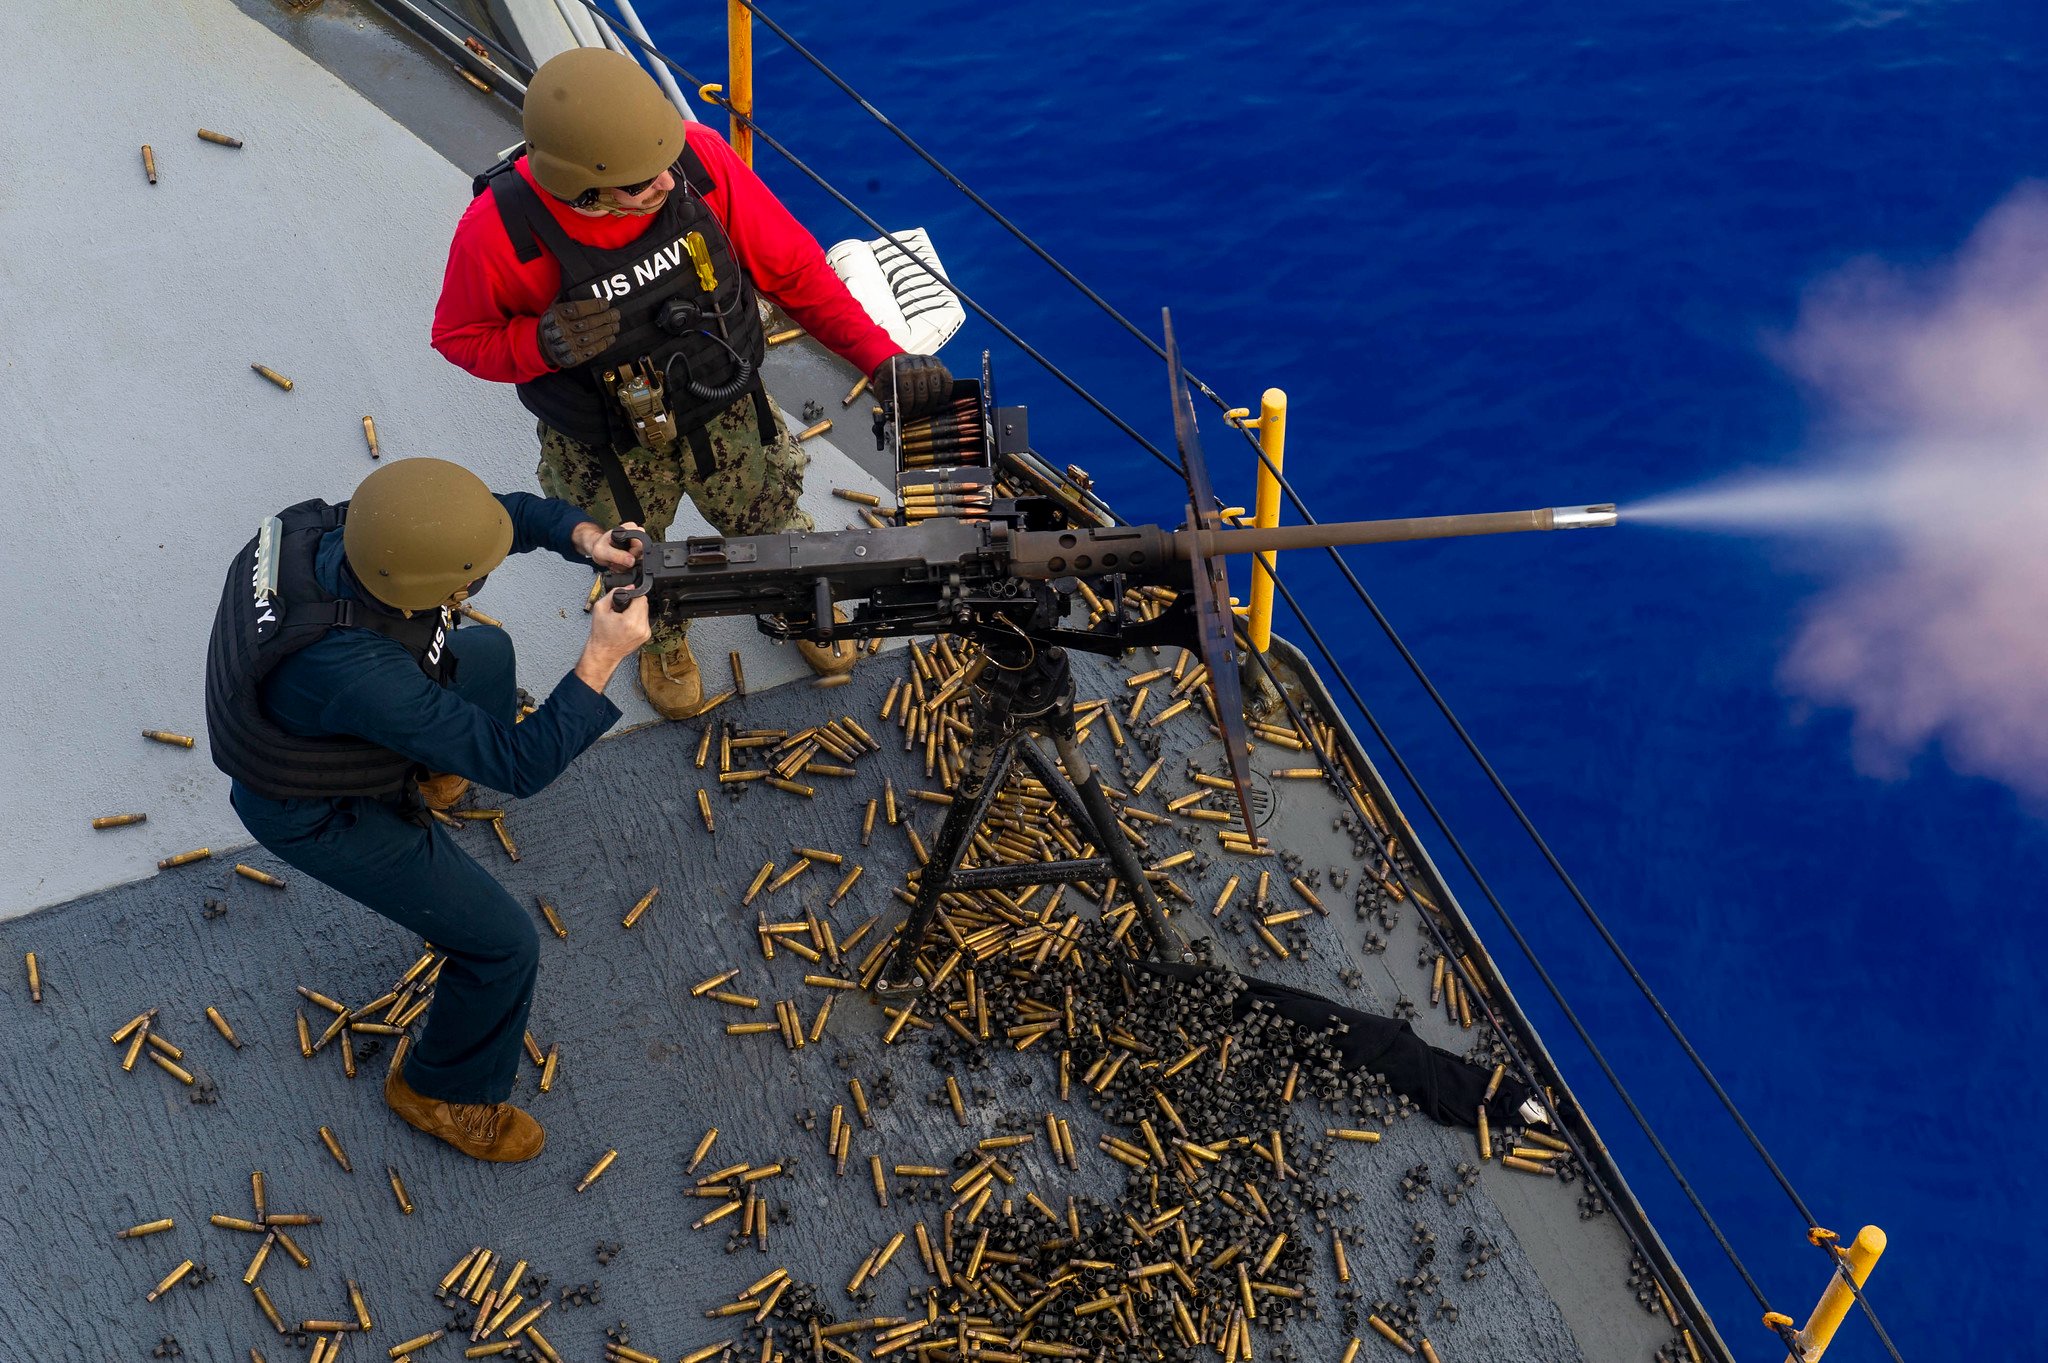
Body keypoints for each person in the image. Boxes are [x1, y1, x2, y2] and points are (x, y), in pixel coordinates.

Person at [432, 47, 952, 719]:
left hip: (723, 407)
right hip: (603, 443)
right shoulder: (499, 231)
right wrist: (536, 343)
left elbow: (794, 270)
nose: (662, 186)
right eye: (637, 184)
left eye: (661, 168)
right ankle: (663, 637)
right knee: (629, 554)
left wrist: (879, 360)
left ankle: (792, 597)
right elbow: (458, 337)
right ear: (577, 186)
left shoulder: (698, 162)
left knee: (768, 514)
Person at [205, 458, 650, 1162]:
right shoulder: (361, 675)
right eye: (469, 581)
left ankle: (440, 764)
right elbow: (522, 766)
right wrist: (599, 658)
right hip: (313, 807)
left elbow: (491, 517)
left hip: (329, 711)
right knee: (504, 947)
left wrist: (585, 538)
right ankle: (442, 1090)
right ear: (433, 588)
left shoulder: (359, 530)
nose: (478, 580)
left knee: (489, 653)